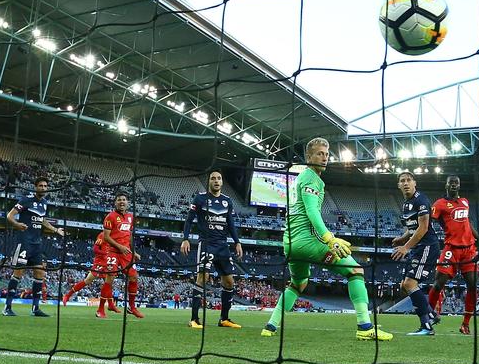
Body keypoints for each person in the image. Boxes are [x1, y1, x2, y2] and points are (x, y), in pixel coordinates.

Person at [261, 138, 392, 341]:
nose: (324, 157)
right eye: (320, 153)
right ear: (308, 157)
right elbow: (312, 212)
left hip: (290, 244)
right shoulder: (312, 178)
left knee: (298, 284)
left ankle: (270, 326)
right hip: (308, 242)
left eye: (327, 154)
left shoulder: (302, 178)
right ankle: (365, 327)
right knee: (356, 272)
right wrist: (329, 238)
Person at [428, 175, 479, 335]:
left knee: (473, 285)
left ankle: (465, 323)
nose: (454, 185)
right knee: (438, 283)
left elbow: (468, 223)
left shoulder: (464, 202)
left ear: (459, 185)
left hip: (469, 249)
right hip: (451, 248)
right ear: (446, 185)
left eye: (456, 183)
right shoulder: (439, 204)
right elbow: (428, 222)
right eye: (451, 183)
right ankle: (427, 316)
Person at [181, 170, 243, 329]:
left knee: (229, 281)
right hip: (206, 243)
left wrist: (237, 242)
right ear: (209, 181)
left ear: (222, 182)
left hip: (223, 245)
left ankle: (224, 319)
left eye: (219, 178)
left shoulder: (227, 201)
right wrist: (185, 239)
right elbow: (189, 220)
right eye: (213, 178)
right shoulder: (200, 198)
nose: (216, 181)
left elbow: (230, 223)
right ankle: (194, 319)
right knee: (202, 277)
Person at [4, 177, 64, 317]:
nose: (43, 188)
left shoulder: (44, 203)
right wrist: (17, 224)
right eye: (41, 185)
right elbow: (9, 216)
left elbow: (42, 220)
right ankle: (7, 307)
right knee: (18, 273)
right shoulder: (26, 200)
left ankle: (35, 308)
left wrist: (55, 230)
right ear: (35, 187)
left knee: (40, 274)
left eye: (45, 186)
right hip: (24, 242)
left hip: (37, 244)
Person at [392, 171, 440, 336]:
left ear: (414, 183)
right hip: (418, 248)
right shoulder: (406, 204)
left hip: (427, 246)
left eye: (408, 180)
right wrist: (402, 238)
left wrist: (405, 247)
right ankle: (431, 314)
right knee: (405, 286)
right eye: (402, 181)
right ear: (399, 185)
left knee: (410, 284)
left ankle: (427, 325)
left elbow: (423, 228)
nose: (405, 183)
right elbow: (412, 227)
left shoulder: (421, 200)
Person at [98, 192, 143, 319]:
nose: (121, 202)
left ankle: (132, 307)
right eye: (119, 200)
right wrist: (120, 247)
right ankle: (100, 309)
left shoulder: (130, 217)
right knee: (109, 279)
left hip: (126, 253)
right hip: (112, 252)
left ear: (127, 202)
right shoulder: (110, 217)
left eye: (124, 200)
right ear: (115, 202)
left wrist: (133, 252)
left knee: (134, 278)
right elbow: (106, 237)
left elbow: (129, 236)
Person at [61, 231, 120, 314]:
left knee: (108, 283)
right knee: (88, 280)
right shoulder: (102, 235)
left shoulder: (116, 236)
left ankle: (111, 305)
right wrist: (106, 253)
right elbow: (95, 249)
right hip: (100, 262)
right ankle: (68, 295)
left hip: (109, 262)